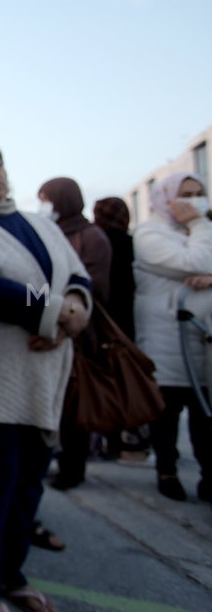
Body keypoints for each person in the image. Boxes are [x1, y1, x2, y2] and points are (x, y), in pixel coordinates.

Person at [0, 139, 92, 612]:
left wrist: (76, 309)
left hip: (43, 376)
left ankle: (11, 576)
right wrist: (54, 315)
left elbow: (76, 275)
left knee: (28, 485)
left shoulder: (38, 224)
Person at [132, 171, 212, 504]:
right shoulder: (150, 234)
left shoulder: (198, 229)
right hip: (166, 340)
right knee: (166, 414)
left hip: (202, 340)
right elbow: (196, 259)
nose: (193, 200)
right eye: (185, 194)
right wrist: (200, 227)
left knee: (205, 416)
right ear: (166, 197)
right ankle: (167, 471)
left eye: (198, 193)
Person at [37, 177, 113, 491]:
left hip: (79, 332)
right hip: (50, 325)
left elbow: (91, 287)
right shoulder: (49, 232)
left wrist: (68, 316)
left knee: (74, 406)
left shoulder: (91, 236)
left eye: (46, 198)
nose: (43, 205)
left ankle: (73, 467)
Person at [93, 196, 150, 461]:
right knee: (125, 381)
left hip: (98, 321)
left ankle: (107, 439)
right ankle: (129, 438)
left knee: (102, 382)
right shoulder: (131, 243)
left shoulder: (94, 239)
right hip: (127, 323)